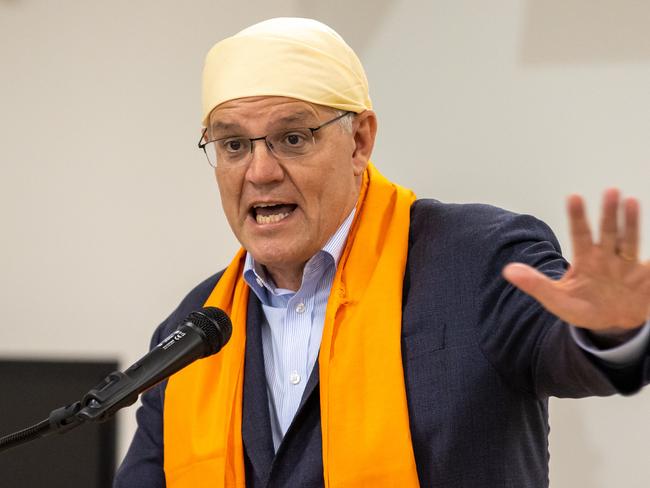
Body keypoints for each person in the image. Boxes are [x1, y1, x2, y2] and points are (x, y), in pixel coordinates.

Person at [114, 17, 650, 488]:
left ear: (360, 141)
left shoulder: (479, 260)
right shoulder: (195, 328)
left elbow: (572, 353)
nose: (260, 171)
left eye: (293, 138)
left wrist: (612, 332)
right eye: (233, 145)